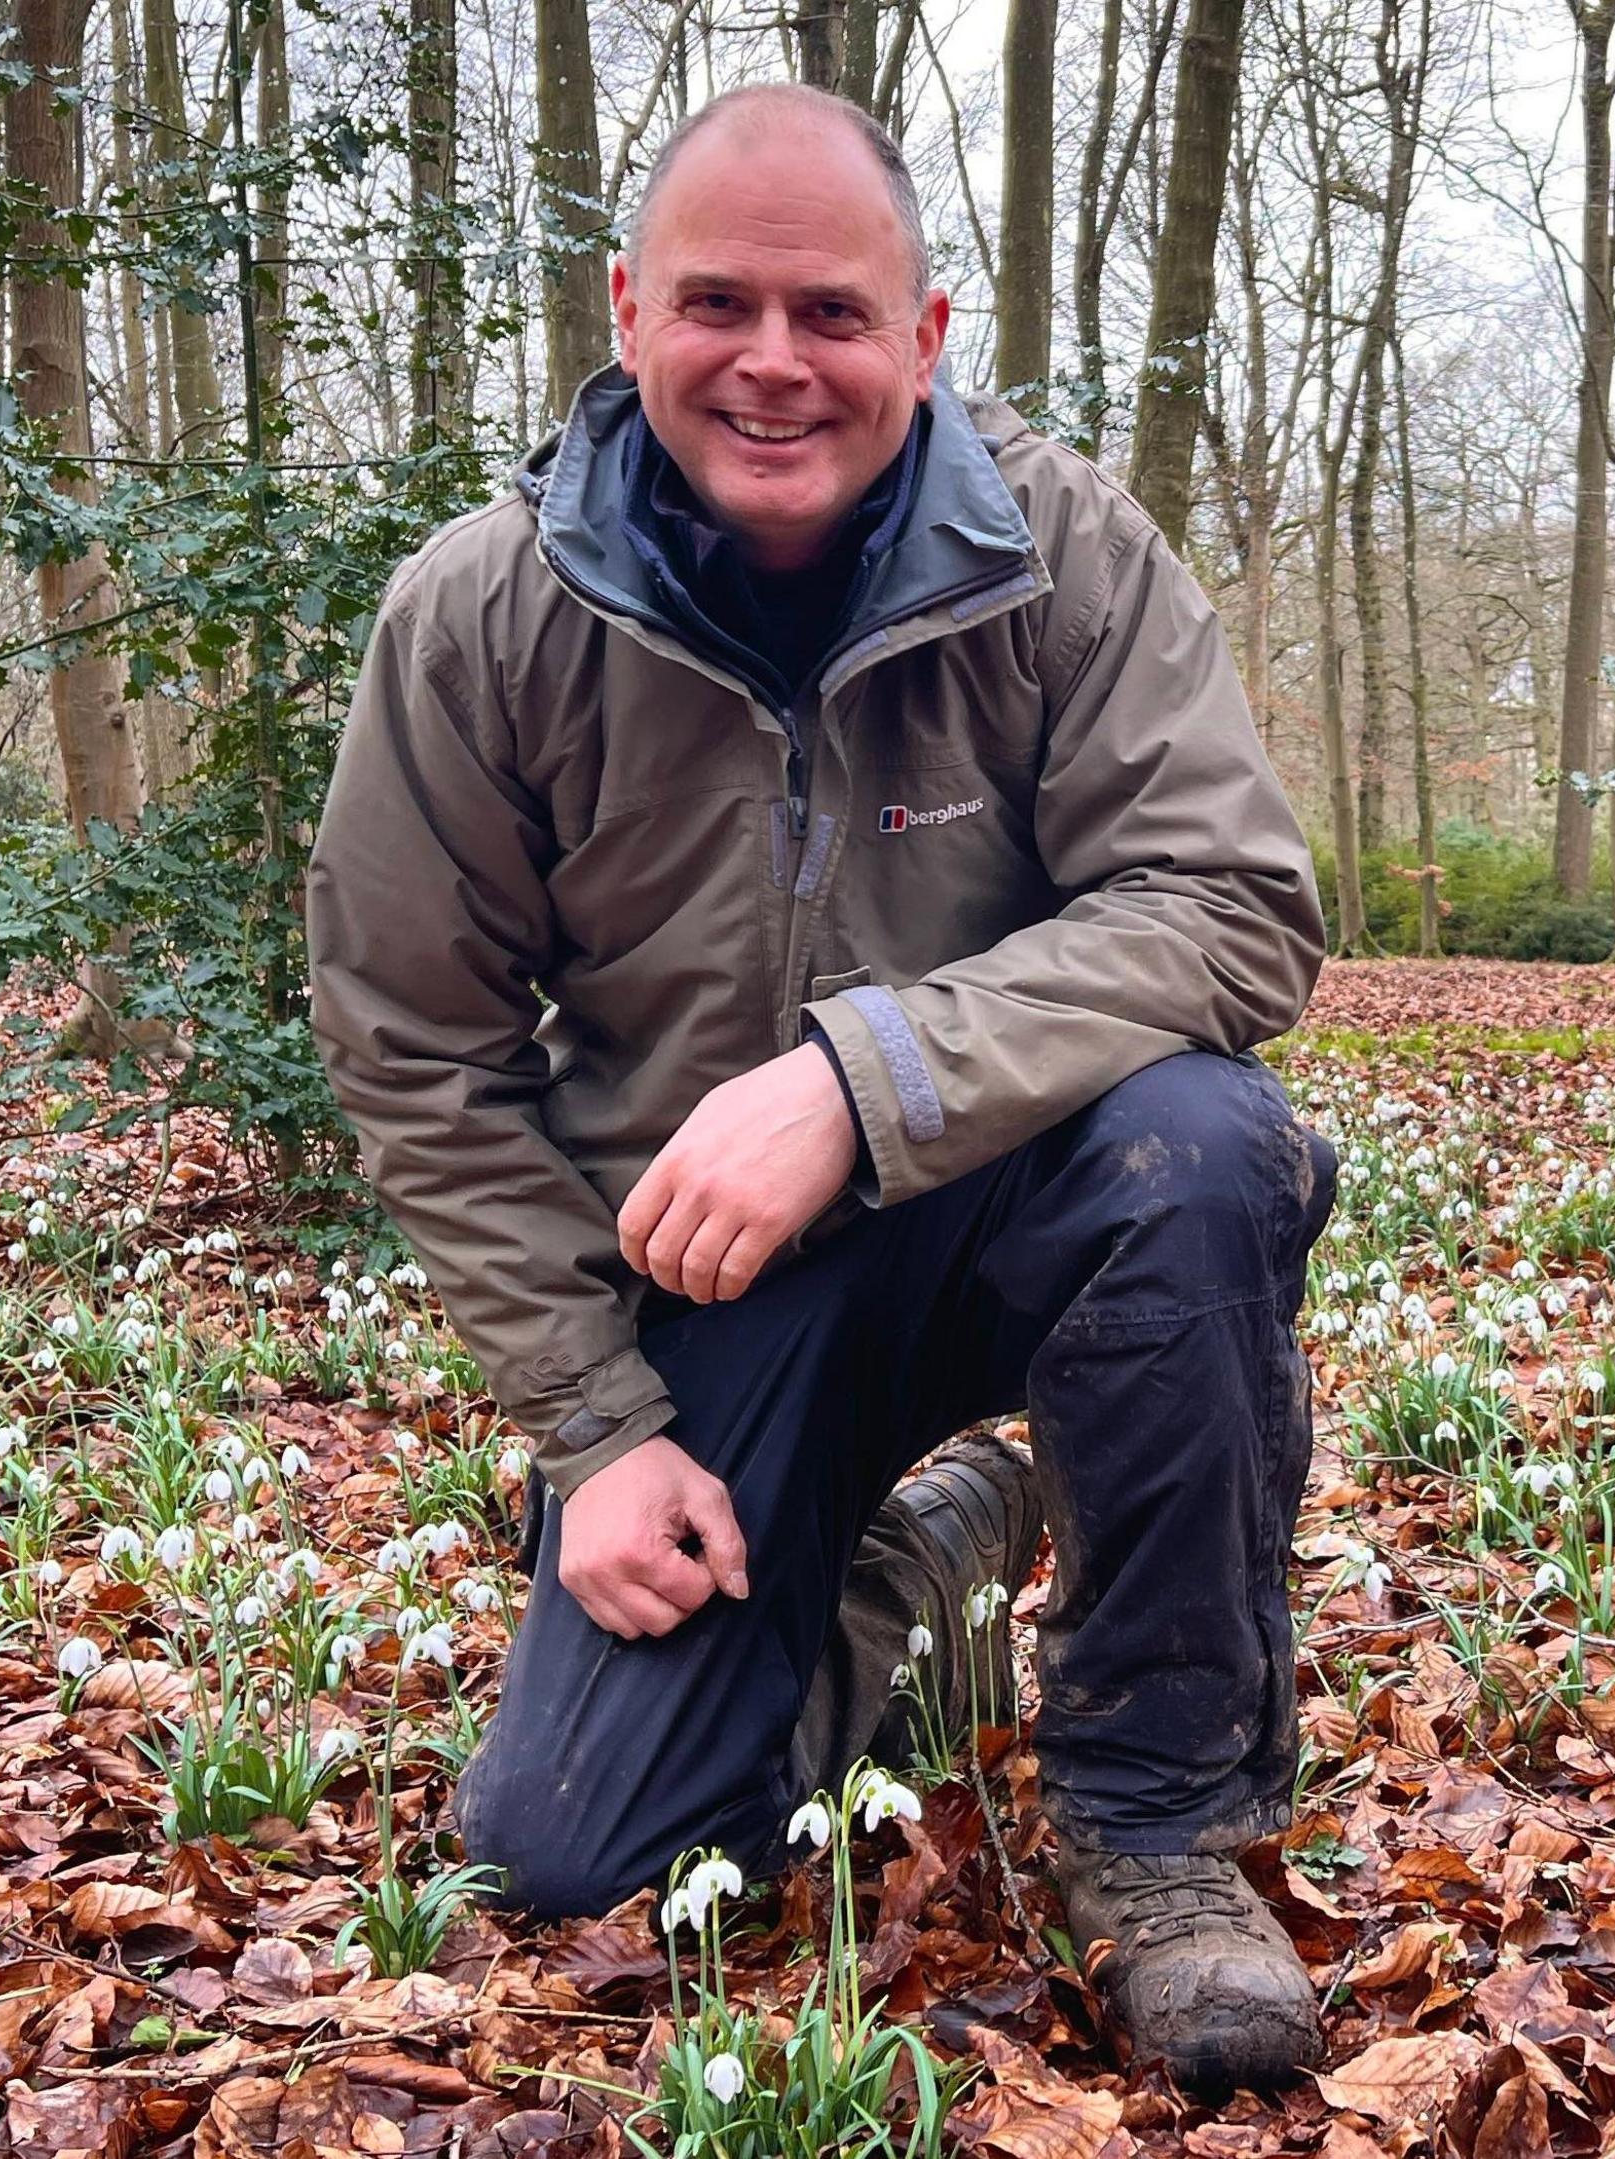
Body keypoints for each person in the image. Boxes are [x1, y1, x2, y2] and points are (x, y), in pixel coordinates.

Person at [302, 81, 1338, 2090]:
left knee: (1207, 1146)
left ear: (928, 334)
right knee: (581, 1856)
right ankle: (934, 1550)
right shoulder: (484, 617)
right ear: (625, 313)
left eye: (835, 313)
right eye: (717, 304)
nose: (775, 362)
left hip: (1030, 1201)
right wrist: (596, 1433)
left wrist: (863, 1084)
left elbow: (1232, 906)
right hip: (708, 1286)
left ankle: (1155, 1821)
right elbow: (412, 1044)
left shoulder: (1065, 559)